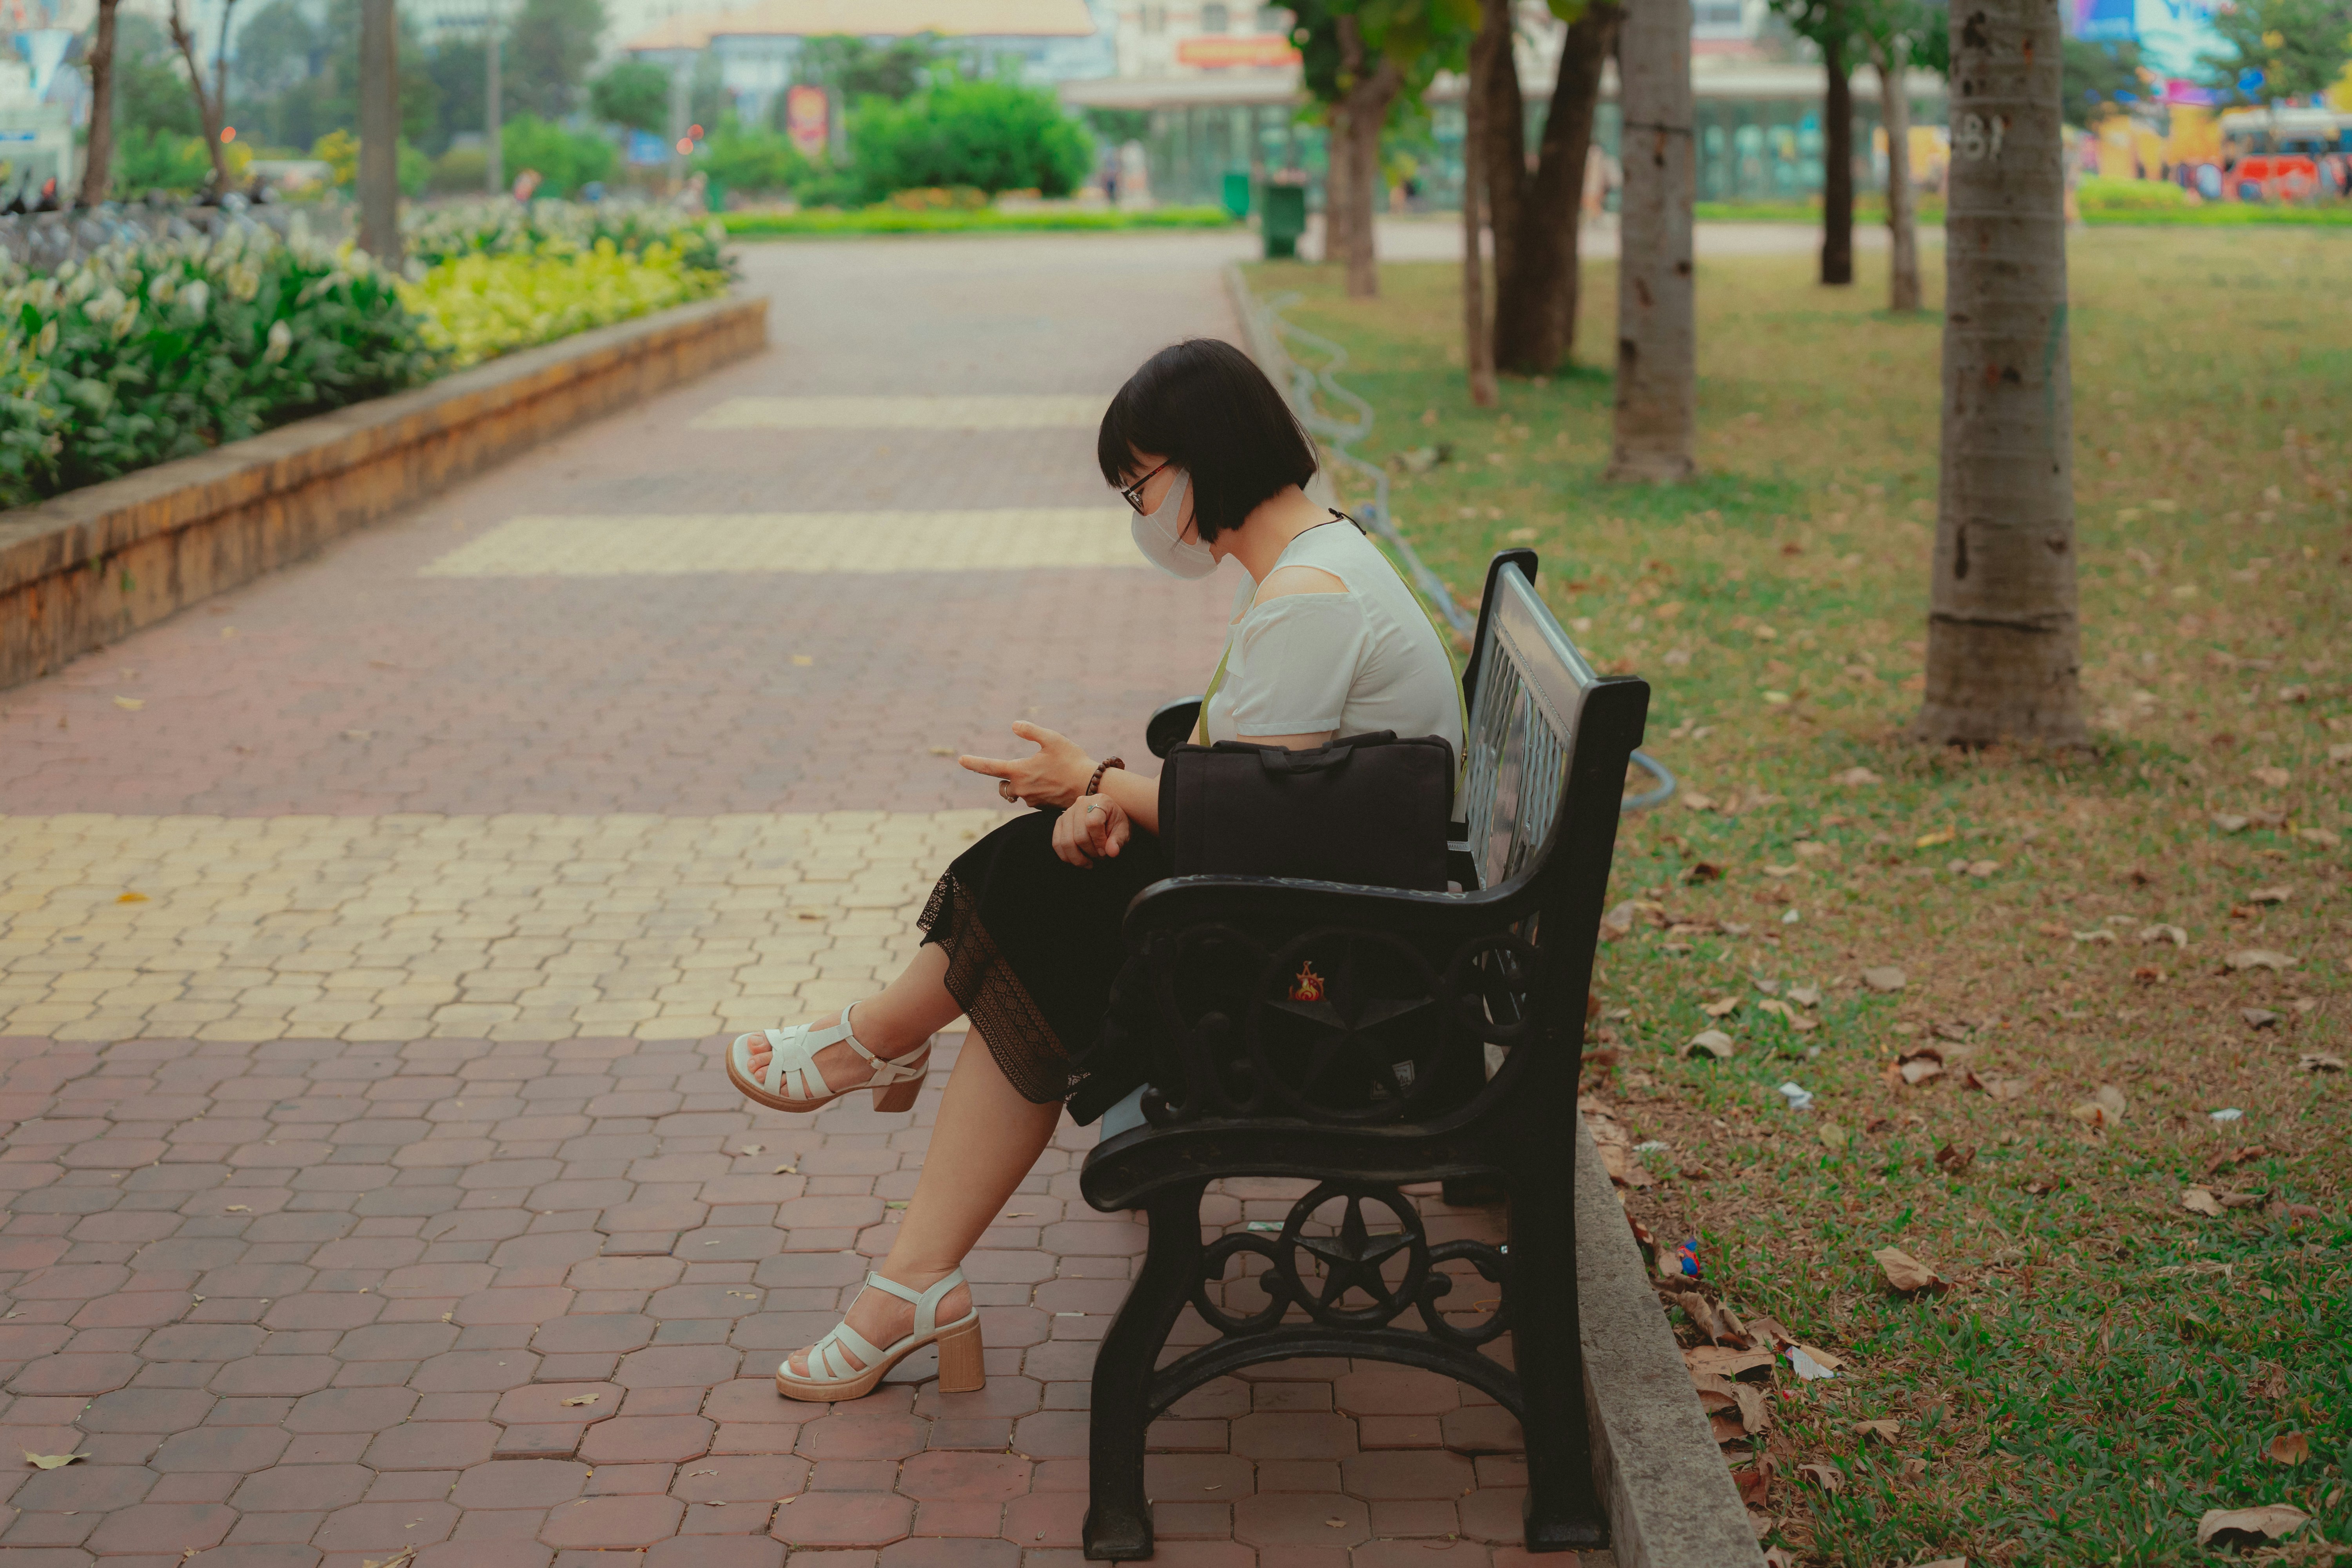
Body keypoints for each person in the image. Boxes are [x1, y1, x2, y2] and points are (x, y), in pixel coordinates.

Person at [720, 338, 1466, 1403]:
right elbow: (1266, 808)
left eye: (1142, 482)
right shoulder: (1317, 564)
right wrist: (1103, 803)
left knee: (1043, 920)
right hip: (1335, 936)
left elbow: (1260, 826)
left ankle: (881, 1077)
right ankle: (903, 1231)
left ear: (1204, 459)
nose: (1139, 509)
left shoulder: (1313, 599)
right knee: (1045, 895)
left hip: (1331, 989)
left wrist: (1102, 785)